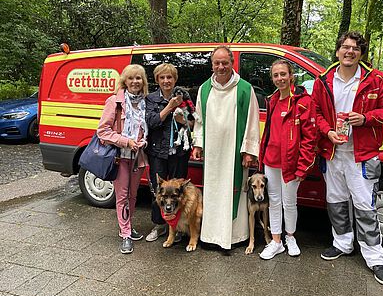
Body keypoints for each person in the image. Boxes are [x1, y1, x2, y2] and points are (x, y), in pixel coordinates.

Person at [311, 31, 383, 285]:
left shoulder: (376, 79)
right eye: (345, 47)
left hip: (362, 154)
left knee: (365, 205)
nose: (350, 51)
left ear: (361, 54)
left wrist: (365, 119)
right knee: (335, 201)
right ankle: (343, 243)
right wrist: (327, 131)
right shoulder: (324, 80)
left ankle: (375, 257)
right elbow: (315, 113)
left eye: (355, 48)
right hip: (333, 152)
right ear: (337, 51)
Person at [192, 46, 260, 250]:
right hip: (213, 153)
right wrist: (198, 143)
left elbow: (252, 120)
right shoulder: (205, 89)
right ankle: (212, 236)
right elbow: (199, 120)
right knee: (213, 191)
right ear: (212, 65)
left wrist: (248, 151)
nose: (221, 67)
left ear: (232, 63)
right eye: (217, 63)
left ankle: (235, 236)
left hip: (235, 152)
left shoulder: (245, 88)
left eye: (225, 62)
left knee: (235, 191)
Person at [258, 59, 317, 260]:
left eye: (283, 74)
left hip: (291, 162)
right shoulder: (272, 100)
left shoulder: (303, 102)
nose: (280, 78)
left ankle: (290, 236)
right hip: (271, 160)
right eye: (276, 75)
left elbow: (310, 139)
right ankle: (276, 241)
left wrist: (303, 167)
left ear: (291, 76)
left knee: (289, 202)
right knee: (274, 201)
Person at [97, 64, 149, 254]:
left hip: (138, 156)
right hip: (120, 156)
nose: (135, 82)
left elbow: (146, 128)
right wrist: (126, 142)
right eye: (131, 78)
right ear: (124, 81)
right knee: (122, 195)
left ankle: (127, 225)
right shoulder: (115, 101)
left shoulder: (146, 101)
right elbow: (102, 131)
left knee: (133, 195)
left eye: (139, 78)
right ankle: (125, 234)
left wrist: (144, 141)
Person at [144, 63, 194, 242]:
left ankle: (177, 228)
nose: (166, 81)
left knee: (178, 193)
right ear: (157, 80)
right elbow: (151, 122)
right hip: (158, 152)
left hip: (179, 152)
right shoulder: (150, 99)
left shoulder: (184, 96)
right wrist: (169, 107)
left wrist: (184, 121)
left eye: (170, 77)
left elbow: (195, 122)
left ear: (175, 79)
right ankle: (159, 225)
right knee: (159, 192)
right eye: (162, 77)